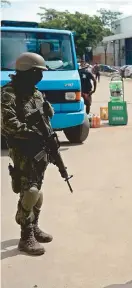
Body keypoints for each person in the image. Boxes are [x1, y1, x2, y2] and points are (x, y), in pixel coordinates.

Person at [1, 52, 54, 255]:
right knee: (29, 191)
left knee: (37, 191)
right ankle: (25, 236)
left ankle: (33, 225)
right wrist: (33, 134)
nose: (40, 76)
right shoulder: (8, 93)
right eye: (38, 72)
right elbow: (8, 123)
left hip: (39, 149)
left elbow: (45, 118)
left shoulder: (35, 93)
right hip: (22, 148)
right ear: (28, 71)